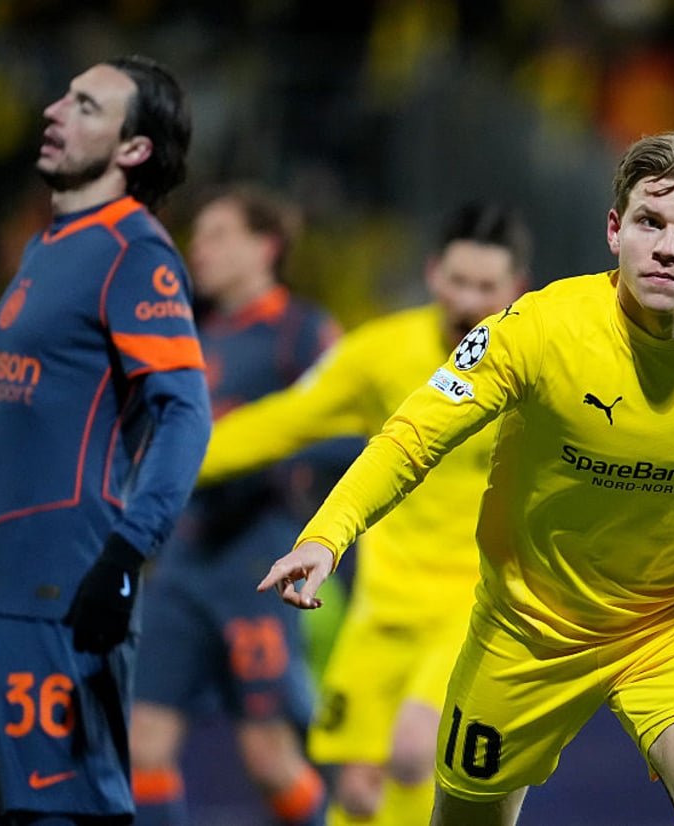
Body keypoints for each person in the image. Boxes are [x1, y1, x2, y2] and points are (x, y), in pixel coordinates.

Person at [260, 131, 674, 826]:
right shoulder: (537, 329)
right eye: (649, 222)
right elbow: (414, 434)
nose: (666, 247)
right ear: (614, 230)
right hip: (526, 628)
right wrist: (327, 535)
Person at [0, 55, 211, 825]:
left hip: (57, 594)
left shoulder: (136, 253)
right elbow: (23, 441)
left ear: (133, 149)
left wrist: (127, 554)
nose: (54, 111)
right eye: (63, 97)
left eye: (86, 106)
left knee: (54, 816)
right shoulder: (49, 246)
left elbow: (185, 414)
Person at [199, 202, 532, 825]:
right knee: (356, 791)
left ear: (516, 288)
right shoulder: (382, 353)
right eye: (458, 281)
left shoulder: (532, 366)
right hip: (383, 608)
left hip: (476, 605)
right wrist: (180, 462)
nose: (468, 301)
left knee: (414, 750)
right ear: (432, 274)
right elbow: (289, 419)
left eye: (486, 287)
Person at [129, 184, 343, 826]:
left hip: (256, 560)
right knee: (142, 745)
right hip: (183, 563)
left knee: (269, 758)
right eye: (199, 236)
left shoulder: (303, 330)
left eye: (219, 235)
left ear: (266, 246)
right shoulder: (191, 334)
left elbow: (352, 428)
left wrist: (260, 458)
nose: (200, 249)